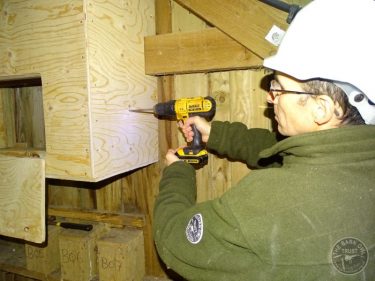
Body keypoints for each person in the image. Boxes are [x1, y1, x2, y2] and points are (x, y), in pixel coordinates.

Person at [153, 0, 375, 280]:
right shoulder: (355, 164)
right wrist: (215, 133)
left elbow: (174, 240)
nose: (271, 98)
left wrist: (177, 173)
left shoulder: (268, 202)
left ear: (322, 108)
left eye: (280, 89)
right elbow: (282, 154)